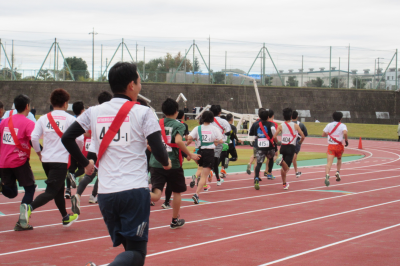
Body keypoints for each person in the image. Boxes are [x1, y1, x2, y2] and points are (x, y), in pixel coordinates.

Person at [62, 62, 171, 266]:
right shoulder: (143, 112)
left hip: (106, 194)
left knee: (129, 251)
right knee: (137, 253)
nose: (141, 85)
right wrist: (166, 164)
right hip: (133, 191)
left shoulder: (93, 112)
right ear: (131, 85)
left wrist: (85, 163)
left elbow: (67, 137)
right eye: (140, 81)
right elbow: (158, 147)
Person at [18, 89, 82, 230]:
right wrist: (76, 153)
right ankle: (29, 208)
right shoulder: (71, 119)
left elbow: (34, 138)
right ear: (66, 103)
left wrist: (39, 153)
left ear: (51, 103)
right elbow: (80, 139)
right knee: (51, 191)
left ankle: (65, 217)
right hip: (60, 161)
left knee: (58, 189)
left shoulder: (43, 118)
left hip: (46, 160)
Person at [149, 98, 200, 229]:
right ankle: (174, 220)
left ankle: (139, 194)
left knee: (156, 195)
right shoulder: (179, 125)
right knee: (177, 192)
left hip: (156, 162)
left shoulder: (155, 122)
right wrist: (190, 154)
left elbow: (148, 143)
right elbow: (178, 141)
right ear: (176, 112)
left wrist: (156, 151)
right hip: (174, 164)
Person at [70, 91, 113, 215]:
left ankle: (78, 194)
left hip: (92, 149)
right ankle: (93, 195)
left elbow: (82, 129)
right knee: (102, 174)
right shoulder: (113, 114)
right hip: (104, 149)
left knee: (89, 175)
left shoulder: (93, 112)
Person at [0, 95, 38, 231]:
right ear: (27, 106)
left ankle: (1, 187)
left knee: (11, 193)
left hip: (3, 162)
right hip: (19, 161)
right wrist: (41, 153)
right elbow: (34, 141)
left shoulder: (4, 122)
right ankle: (22, 221)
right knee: (30, 188)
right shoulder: (29, 123)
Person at [187, 111, 223, 203]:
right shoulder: (214, 129)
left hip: (200, 151)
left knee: (200, 170)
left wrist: (195, 140)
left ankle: (197, 179)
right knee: (204, 176)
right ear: (212, 119)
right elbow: (221, 140)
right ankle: (196, 194)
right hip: (209, 152)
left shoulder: (197, 128)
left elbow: (189, 138)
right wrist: (215, 142)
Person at [161, 109, 190, 209]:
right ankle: (167, 203)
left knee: (157, 187)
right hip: (173, 158)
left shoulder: (158, 123)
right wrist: (188, 154)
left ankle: (152, 198)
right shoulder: (182, 125)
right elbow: (179, 142)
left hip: (157, 158)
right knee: (173, 185)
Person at [273, 108, 305, 190]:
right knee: (286, 168)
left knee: (283, 168)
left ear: (283, 117)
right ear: (291, 116)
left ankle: (284, 183)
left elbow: (274, 136)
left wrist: (278, 142)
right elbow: (303, 136)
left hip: (283, 147)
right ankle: (281, 161)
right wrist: (300, 142)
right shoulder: (296, 126)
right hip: (291, 147)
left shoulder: (281, 126)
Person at [249, 110, 276, 190]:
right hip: (269, 146)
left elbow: (252, 134)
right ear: (268, 117)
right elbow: (274, 134)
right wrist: (277, 142)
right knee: (271, 158)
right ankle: (269, 172)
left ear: (259, 117)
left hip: (259, 146)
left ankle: (256, 177)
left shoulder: (256, 125)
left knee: (259, 163)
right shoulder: (271, 124)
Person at [65, 101, 86, 199]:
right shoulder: (82, 120)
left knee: (71, 169)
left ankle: (68, 190)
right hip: (79, 148)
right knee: (82, 168)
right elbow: (81, 138)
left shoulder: (70, 119)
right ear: (82, 110)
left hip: (70, 148)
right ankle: (74, 176)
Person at [322, 111, 348, 187]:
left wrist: (329, 134)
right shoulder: (343, 125)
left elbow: (323, 134)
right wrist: (346, 140)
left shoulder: (329, 125)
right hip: (339, 146)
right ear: (341, 118)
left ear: (333, 117)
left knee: (329, 162)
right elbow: (345, 133)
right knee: (339, 159)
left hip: (331, 146)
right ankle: (337, 172)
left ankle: (327, 175)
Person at [210, 105, 231, 186]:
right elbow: (229, 131)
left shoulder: (208, 120)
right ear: (220, 112)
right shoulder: (223, 121)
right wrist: (223, 134)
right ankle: (212, 172)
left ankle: (217, 178)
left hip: (208, 142)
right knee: (215, 160)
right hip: (219, 142)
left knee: (208, 160)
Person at [246, 108, 265, 176]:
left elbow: (250, 133)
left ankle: (250, 163)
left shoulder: (255, 123)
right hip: (264, 144)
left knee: (255, 156)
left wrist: (257, 134)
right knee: (258, 160)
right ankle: (257, 176)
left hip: (256, 142)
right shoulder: (267, 123)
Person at [291, 111, 308, 178]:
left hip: (288, 141)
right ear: (297, 117)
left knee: (293, 157)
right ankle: (296, 172)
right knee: (294, 157)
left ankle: (296, 172)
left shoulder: (287, 124)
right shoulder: (301, 125)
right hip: (297, 141)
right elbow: (305, 134)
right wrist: (300, 141)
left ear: (291, 117)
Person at [263, 109, 278, 179]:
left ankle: (266, 170)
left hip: (263, 142)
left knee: (266, 157)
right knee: (273, 156)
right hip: (272, 142)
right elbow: (275, 135)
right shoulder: (274, 124)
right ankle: (269, 172)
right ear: (273, 116)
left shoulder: (263, 123)